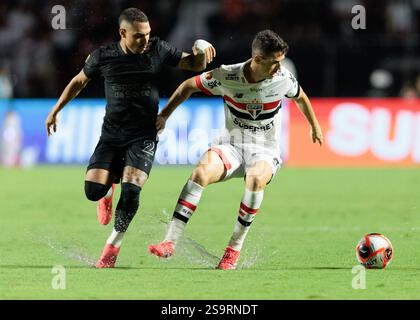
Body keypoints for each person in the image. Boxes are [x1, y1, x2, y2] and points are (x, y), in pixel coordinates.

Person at [45, 8, 216, 268]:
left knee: (132, 191)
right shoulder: (103, 56)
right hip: (111, 135)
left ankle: (112, 247)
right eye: (138, 36)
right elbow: (79, 81)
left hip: (144, 134)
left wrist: (201, 48)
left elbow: (194, 64)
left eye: (147, 34)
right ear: (122, 33)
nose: (145, 40)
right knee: (92, 191)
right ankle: (106, 193)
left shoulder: (158, 49)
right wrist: (56, 109)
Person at [148, 30, 323, 270]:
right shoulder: (227, 75)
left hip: (265, 151)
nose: (279, 68)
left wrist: (315, 126)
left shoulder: (284, 78)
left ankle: (233, 250)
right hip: (230, 146)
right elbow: (188, 86)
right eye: (275, 63)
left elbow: (300, 97)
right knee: (200, 173)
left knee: (254, 179)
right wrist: (164, 115)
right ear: (258, 59)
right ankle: (169, 241)